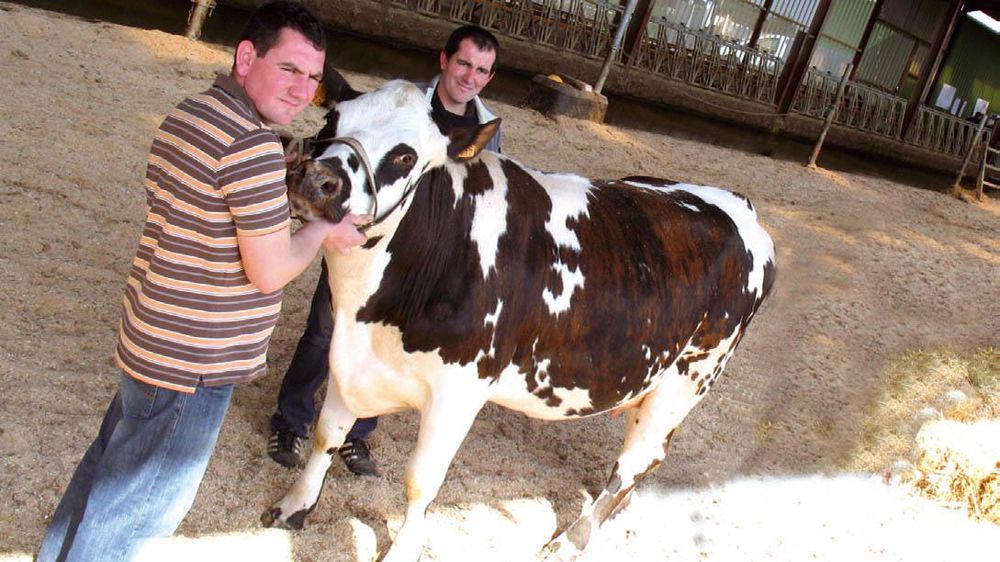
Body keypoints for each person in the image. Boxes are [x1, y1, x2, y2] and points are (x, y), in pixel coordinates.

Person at [36, 3, 369, 561]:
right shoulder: (253, 148)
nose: (300, 90)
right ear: (246, 56)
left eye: (312, 79)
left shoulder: (191, 115)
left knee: (106, 476)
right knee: (138, 515)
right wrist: (320, 233)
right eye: (289, 69)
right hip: (193, 363)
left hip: (150, 337)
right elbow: (268, 273)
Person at [267, 24, 503, 475]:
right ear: (444, 60)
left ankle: (356, 437)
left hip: (421, 259)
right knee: (323, 329)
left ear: (489, 78)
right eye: (464, 64)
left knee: (386, 344)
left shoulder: (486, 131)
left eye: (482, 70)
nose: (470, 77)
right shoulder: (398, 101)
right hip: (363, 240)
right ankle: (291, 420)